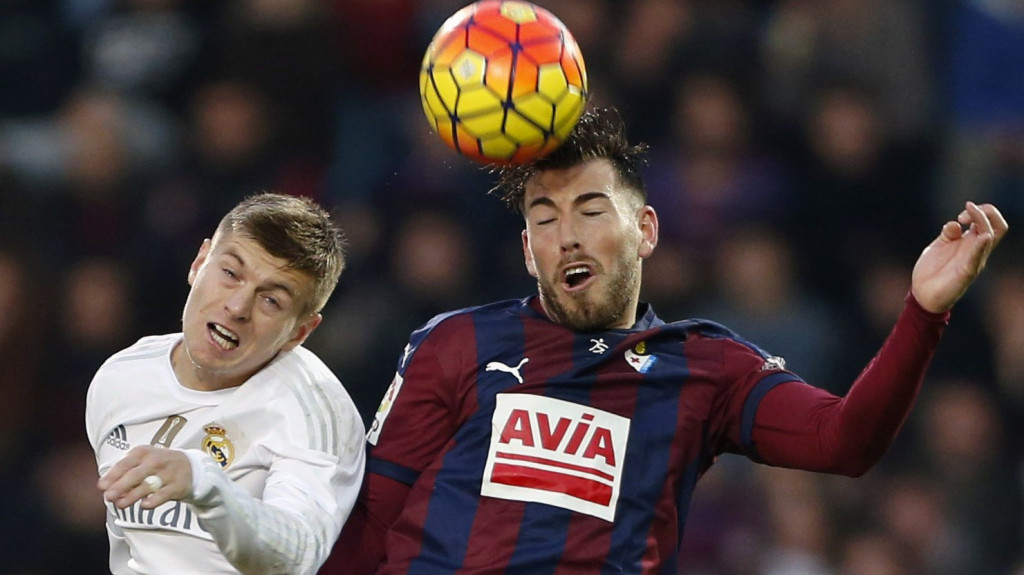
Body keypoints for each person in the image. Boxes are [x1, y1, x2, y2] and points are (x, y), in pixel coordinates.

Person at [323, 108, 1007, 574]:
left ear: (646, 230)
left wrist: (922, 312)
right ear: (528, 250)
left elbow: (843, 441)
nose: (567, 234)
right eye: (544, 218)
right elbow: (376, 519)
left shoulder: (706, 365)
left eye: (591, 210)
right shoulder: (455, 342)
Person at [85, 192, 365, 575]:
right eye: (231, 274)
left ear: (299, 332)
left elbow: (297, 554)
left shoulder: (313, 409)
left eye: (270, 300)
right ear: (200, 263)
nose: (237, 307)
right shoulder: (121, 377)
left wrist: (205, 483)